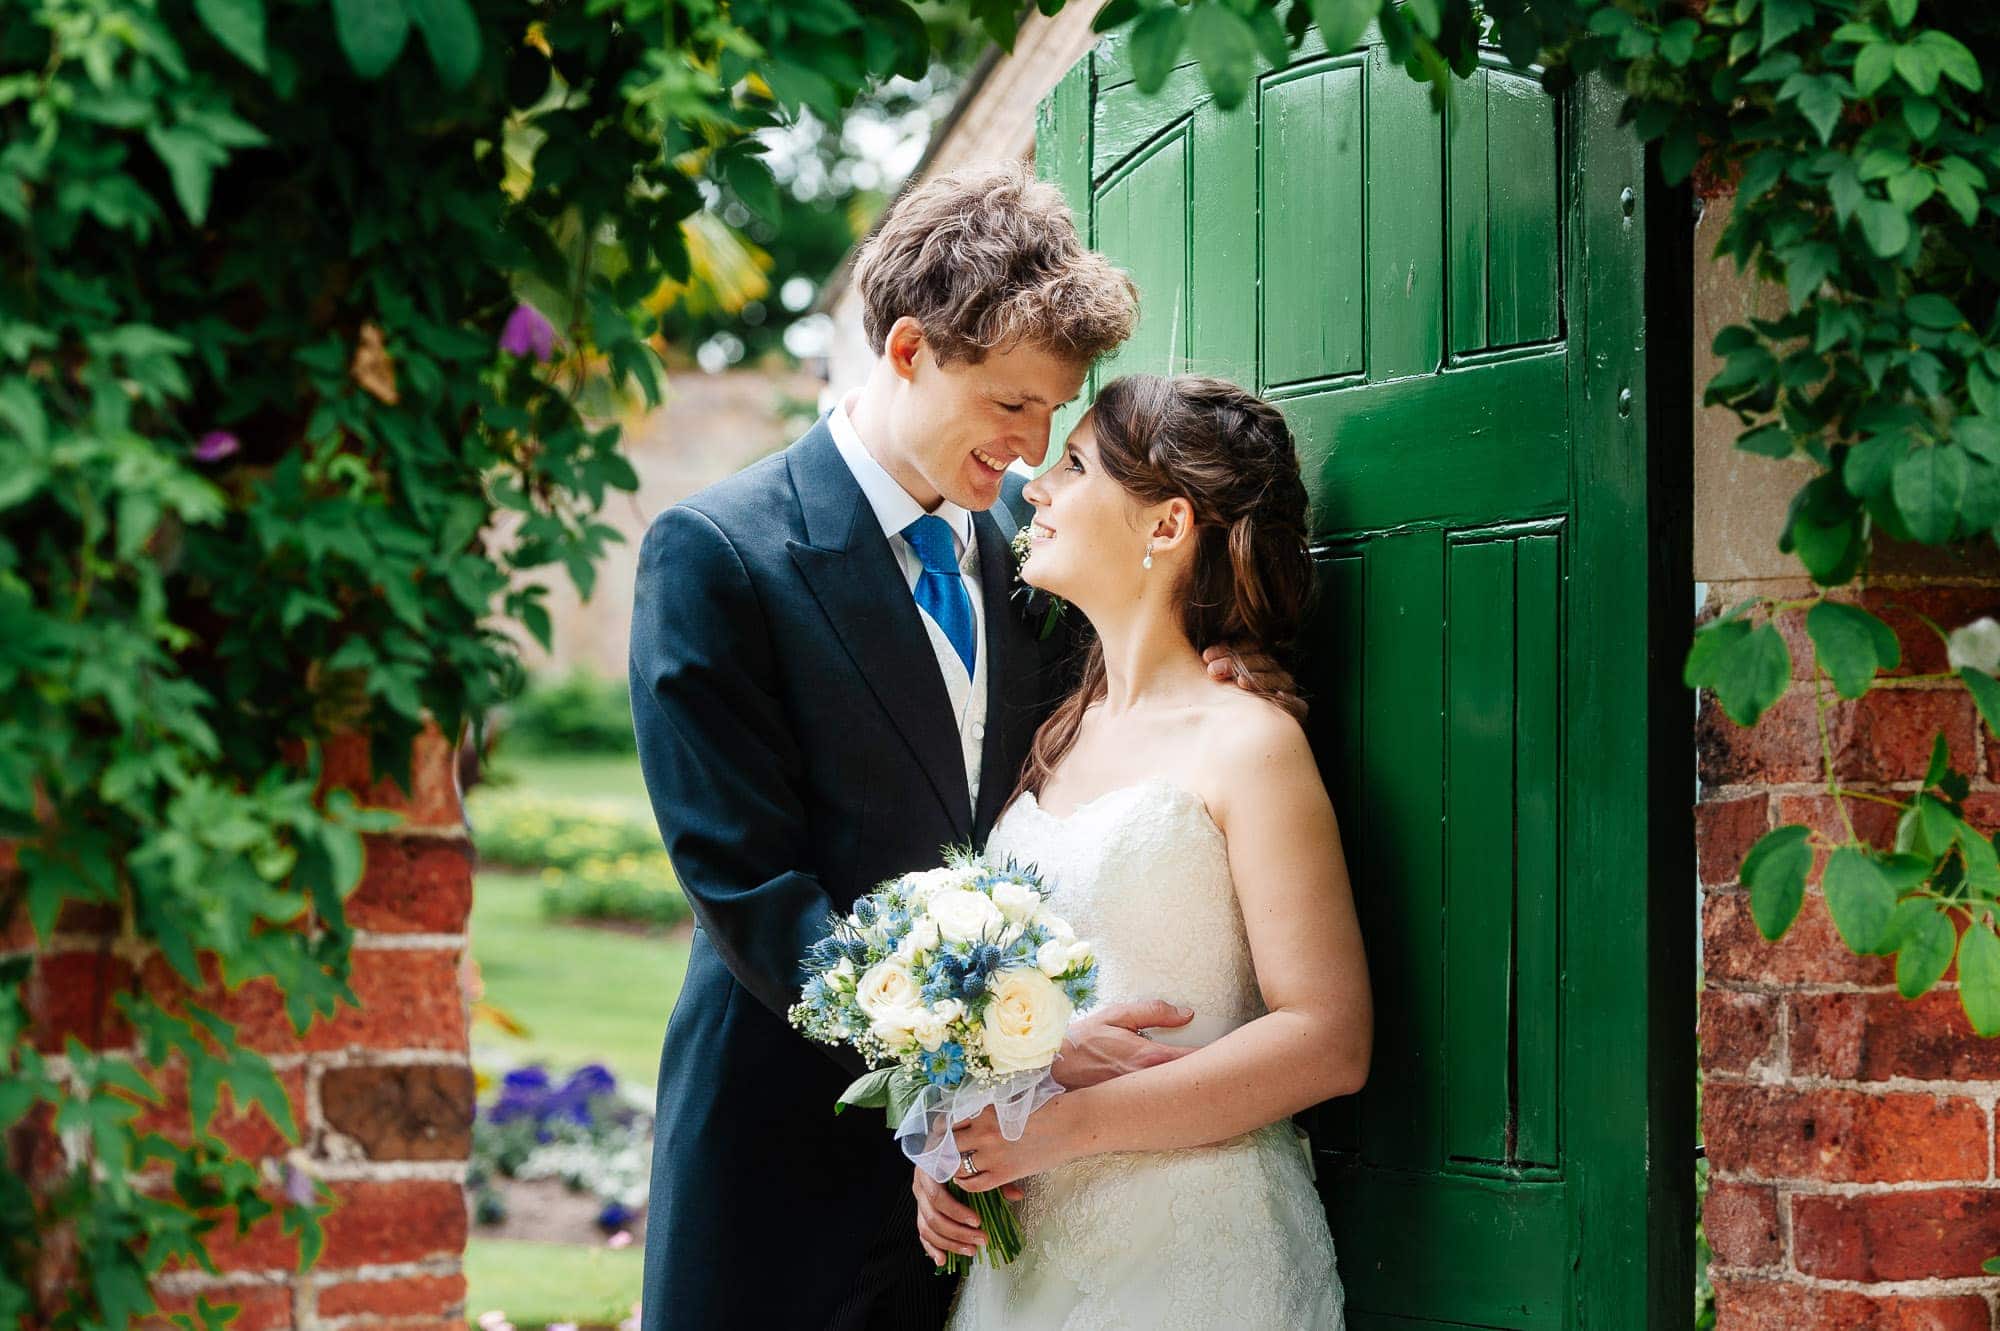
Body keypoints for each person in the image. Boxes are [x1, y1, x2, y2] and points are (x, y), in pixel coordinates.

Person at [629, 162, 1266, 1331]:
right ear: (912, 350)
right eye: (1013, 403)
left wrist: (1202, 671)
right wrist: (1000, 1054)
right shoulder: (716, 553)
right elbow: (751, 889)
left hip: (1003, 1194)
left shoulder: (1023, 570)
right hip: (781, 1152)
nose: (1031, 450)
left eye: (1052, 416)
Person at [914, 373, 1373, 1330]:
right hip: (1031, 1257)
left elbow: (1328, 1040)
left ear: (1166, 528)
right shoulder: (1059, 732)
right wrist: (959, 1149)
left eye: (1074, 464)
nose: (1034, 484)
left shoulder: (1248, 740)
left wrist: (1061, 1130)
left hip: (1194, 1253)